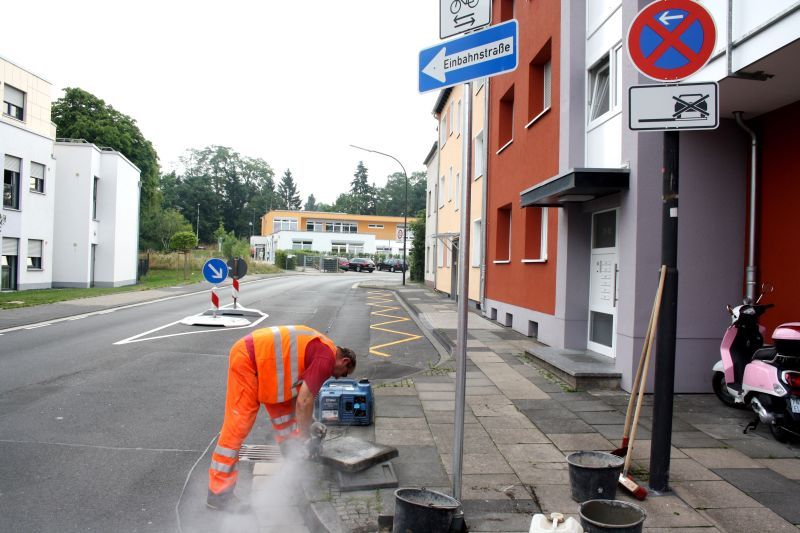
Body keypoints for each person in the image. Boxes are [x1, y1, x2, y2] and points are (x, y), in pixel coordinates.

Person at [207, 325, 356, 512]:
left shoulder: (323, 348)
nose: (337, 377)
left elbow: (300, 402)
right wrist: (306, 439)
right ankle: (219, 496)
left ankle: (294, 471)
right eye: (342, 373)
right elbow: (304, 401)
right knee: (238, 426)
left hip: (269, 372)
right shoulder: (326, 358)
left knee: (287, 423)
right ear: (345, 360)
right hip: (249, 359)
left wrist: (310, 425)